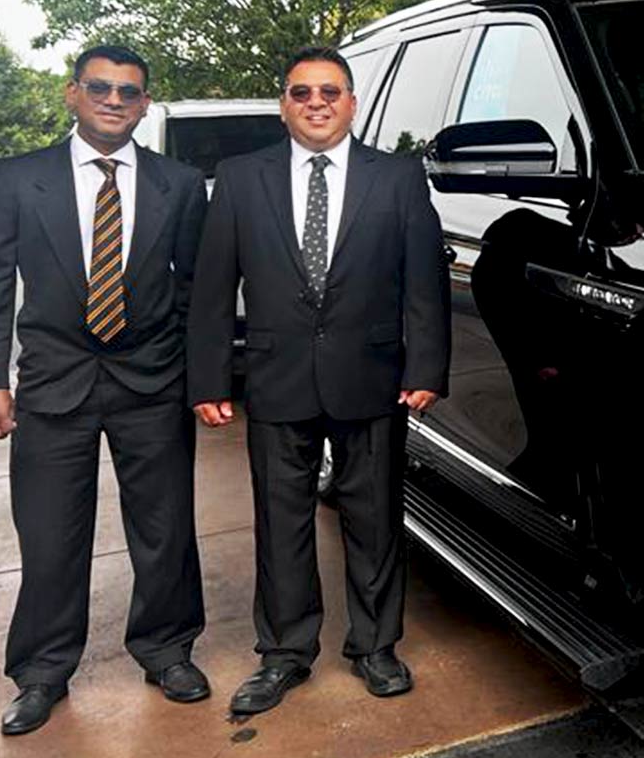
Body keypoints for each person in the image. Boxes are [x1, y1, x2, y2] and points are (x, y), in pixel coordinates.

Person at [187, 46, 448, 716]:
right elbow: (214, 286)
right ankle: (283, 652)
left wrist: (426, 365)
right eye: (301, 92)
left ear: (351, 102)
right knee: (281, 523)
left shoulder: (396, 177)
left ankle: (375, 645)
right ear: (283, 105)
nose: (316, 103)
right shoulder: (241, 178)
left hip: (372, 374)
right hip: (275, 376)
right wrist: (210, 377)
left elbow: (423, 278)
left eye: (329, 91)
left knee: (375, 519)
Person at [0, 45, 211, 736]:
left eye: (128, 91)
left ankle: (166, 649)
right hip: (52, 382)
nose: (113, 100)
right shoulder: (17, 179)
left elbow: (195, 288)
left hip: (152, 381)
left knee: (164, 530)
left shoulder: (179, 184)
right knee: (49, 535)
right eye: (99, 87)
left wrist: (198, 375)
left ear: (144, 104)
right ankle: (41, 671)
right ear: (72, 94)